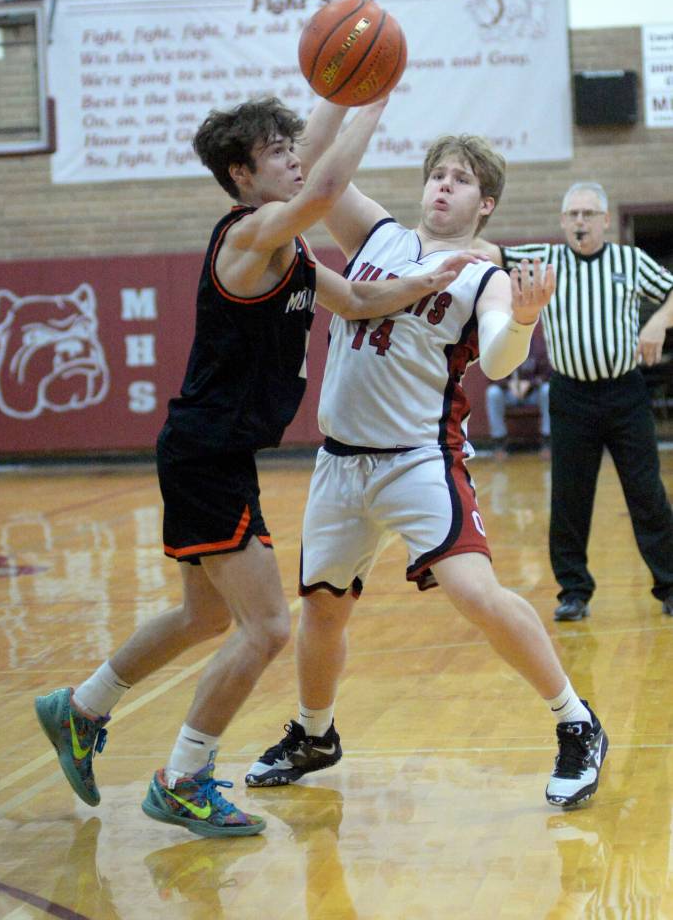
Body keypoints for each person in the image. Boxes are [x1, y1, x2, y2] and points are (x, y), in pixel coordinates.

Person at [34, 95, 472, 840]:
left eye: (292, 147)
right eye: (276, 153)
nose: (294, 159)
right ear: (241, 174)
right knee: (267, 626)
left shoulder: (292, 251)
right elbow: (325, 193)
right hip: (207, 456)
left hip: (210, 452)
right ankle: (182, 777)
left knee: (206, 615)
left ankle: (81, 707)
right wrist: (376, 95)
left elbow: (362, 299)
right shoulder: (250, 233)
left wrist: (430, 279)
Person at [246, 109, 608, 810]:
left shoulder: (486, 274)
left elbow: (499, 360)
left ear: (485, 203)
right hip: (340, 459)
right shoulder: (376, 232)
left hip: (417, 457)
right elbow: (317, 165)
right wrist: (360, 97)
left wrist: (527, 318)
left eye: (461, 179)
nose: (444, 187)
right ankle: (314, 734)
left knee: (474, 592)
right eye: (437, 174)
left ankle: (575, 720)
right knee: (322, 609)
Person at [477, 181, 673, 621]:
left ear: (606, 220)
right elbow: (488, 251)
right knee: (569, 496)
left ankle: (670, 584)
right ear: (563, 221)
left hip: (625, 393)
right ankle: (574, 592)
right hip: (572, 396)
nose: (580, 222)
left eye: (588, 214)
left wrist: (659, 321)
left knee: (646, 492)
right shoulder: (546, 259)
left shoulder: (630, 260)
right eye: (573, 215)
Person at [485, 325, 551, 460]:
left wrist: (531, 383)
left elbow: (548, 374)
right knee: (493, 393)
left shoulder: (538, 346)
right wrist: (509, 384)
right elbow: (491, 374)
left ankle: (548, 442)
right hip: (509, 394)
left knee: (547, 390)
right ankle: (499, 443)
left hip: (533, 394)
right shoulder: (501, 346)